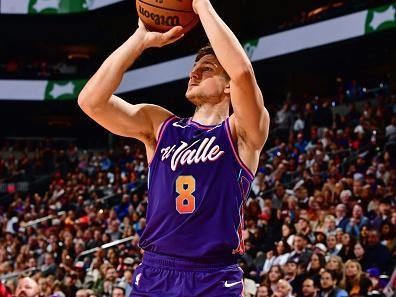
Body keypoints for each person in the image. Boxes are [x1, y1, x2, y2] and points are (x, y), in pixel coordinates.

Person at [78, 0, 270, 295]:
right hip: (156, 270)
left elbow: (242, 72)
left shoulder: (241, 132)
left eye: (206, 70)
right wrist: (139, 40)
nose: (194, 74)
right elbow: (91, 101)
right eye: (193, 69)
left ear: (228, 86)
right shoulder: (160, 125)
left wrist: (200, 5)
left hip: (213, 275)